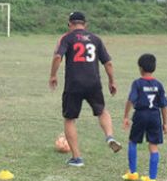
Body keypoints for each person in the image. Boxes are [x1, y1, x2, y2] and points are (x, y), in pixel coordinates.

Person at [49, 11, 121, 167]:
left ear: (69, 24)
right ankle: (109, 136)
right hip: (93, 82)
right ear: (85, 24)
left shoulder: (66, 38)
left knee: (69, 119)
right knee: (102, 111)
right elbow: (108, 63)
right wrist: (112, 81)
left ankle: (77, 158)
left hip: (73, 84)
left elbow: (57, 57)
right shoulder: (95, 39)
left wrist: (53, 75)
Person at [122, 54, 167, 181]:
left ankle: (132, 172)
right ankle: (152, 179)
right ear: (154, 68)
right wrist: (165, 123)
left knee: (133, 141)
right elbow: (164, 105)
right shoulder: (158, 84)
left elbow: (130, 100)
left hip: (141, 115)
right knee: (153, 146)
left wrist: (126, 116)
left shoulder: (137, 83)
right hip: (155, 116)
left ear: (140, 68)